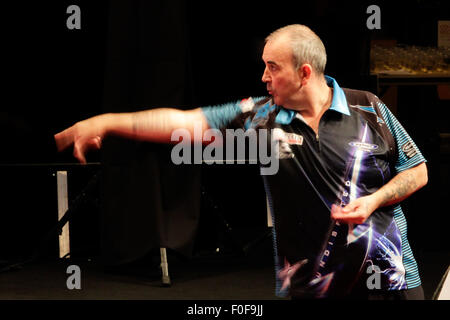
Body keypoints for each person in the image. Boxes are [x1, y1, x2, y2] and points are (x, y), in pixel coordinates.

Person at [54, 24, 428, 300]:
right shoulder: (259, 117)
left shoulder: (369, 107)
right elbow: (181, 123)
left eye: (273, 67)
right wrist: (106, 122)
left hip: (391, 281)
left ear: (304, 73)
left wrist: (375, 201)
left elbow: (417, 170)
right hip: (308, 288)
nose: (264, 77)